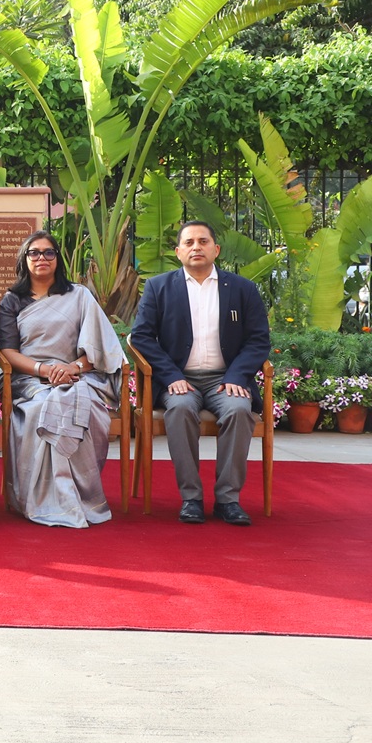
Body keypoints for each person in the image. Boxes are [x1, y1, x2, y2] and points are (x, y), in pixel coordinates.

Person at [129, 219, 271, 525]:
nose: (197, 247)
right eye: (189, 243)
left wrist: (237, 376)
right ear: (178, 252)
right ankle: (191, 497)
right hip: (179, 379)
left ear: (216, 250)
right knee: (179, 410)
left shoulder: (243, 289)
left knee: (239, 411)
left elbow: (258, 338)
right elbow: (140, 337)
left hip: (226, 379)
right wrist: (171, 376)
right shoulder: (159, 287)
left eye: (203, 242)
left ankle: (227, 499)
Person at [0, 231, 127, 528]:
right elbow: (8, 351)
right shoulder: (12, 300)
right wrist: (44, 370)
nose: (41, 258)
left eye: (48, 252)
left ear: (58, 258)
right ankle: (43, 497)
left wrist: (73, 368)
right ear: (24, 259)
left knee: (80, 404)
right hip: (31, 379)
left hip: (78, 376)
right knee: (42, 408)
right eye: (34, 253)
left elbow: (100, 348)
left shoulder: (79, 295)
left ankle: (80, 496)